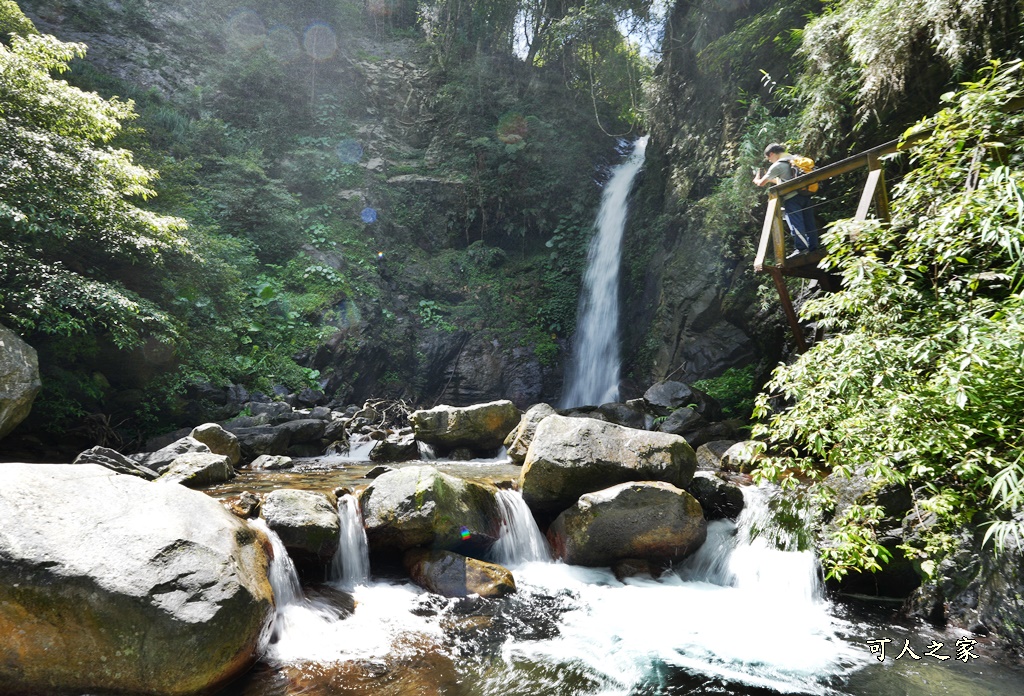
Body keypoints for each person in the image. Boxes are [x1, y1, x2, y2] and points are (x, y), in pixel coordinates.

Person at [753, 143, 818, 256]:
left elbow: (761, 183)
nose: (769, 161)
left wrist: (756, 179)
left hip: (792, 199)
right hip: (805, 194)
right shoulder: (794, 159)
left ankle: (801, 249)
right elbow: (784, 180)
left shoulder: (777, 165)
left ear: (772, 153)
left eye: (768, 158)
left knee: (796, 224)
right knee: (809, 223)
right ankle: (813, 247)